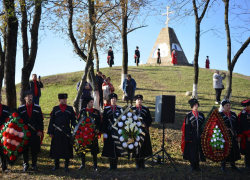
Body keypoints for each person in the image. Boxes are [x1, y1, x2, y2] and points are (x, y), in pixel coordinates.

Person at [47, 93, 76, 172]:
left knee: (67, 148)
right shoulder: (55, 109)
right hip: (57, 132)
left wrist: (76, 128)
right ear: (59, 100)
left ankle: (66, 165)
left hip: (67, 130)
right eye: (63, 99)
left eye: (65, 99)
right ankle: (56, 165)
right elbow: (51, 121)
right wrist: (50, 132)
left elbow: (73, 120)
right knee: (57, 148)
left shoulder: (70, 109)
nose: (65, 100)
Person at [18, 90, 44, 171]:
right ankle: (25, 164)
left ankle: (34, 164)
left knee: (34, 149)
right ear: (25, 98)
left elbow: (40, 120)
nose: (30, 98)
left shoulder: (37, 107)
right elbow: (18, 121)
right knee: (25, 149)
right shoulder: (20, 108)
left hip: (34, 132)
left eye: (31, 97)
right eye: (29, 97)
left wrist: (40, 130)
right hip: (24, 133)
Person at [77, 96, 102, 171]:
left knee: (94, 150)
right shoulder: (82, 111)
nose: (92, 103)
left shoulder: (96, 111)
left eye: (92, 102)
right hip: (84, 134)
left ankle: (95, 165)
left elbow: (99, 122)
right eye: (91, 102)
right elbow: (78, 121)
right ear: (87, 103)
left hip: (93, 134)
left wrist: (98, 130)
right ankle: (82, 164)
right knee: (83, 149)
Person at [181, 99, 206, 171]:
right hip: (192, 135)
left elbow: (204, 125)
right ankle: (192, 165)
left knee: (198, 150)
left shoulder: (201, 114)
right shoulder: (188, 115)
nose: (196, 106)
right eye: (195, 105)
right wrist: (189, 138)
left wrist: (203, 134)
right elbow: (187, 127)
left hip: (200, 135)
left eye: (197, 104)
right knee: (192, 150)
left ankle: (197, 166)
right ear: (192, 106)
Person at [102, 93, 123, 170]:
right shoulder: (106, 109)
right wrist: (104, 132)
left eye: (115, 98)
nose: (113, 100)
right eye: (112, 99)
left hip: (117, 131)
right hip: (109, 131)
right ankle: (111, 165)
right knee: (109, 148)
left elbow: (122, 120)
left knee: (117, 148)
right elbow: (104, 121)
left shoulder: (120, 109)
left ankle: (115, 165)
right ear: (110, 100)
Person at [219, 100, 241, 171]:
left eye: (229, 105)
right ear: (223, 107)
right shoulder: (220, 115)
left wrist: (239, 136)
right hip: (224, 136)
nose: (228, 107)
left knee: (233, 149)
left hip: (233, 135)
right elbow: (216, 125)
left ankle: (233, 164)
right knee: (225, 150)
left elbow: (238, 125)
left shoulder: (233, 114)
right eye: (226, 105)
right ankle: (223, 165)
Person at [131, 95, 152, 169]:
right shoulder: (131, 109)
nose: (139, 101)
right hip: (135, 131)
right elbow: (129, 119)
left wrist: (145, 124)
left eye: (140, 99)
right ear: (135, 101)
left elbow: (149, 119)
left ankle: (142, 163)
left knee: (143, 146)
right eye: (138, 99)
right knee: (136, 146)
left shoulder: (145, 109)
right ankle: (137, 163)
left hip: (144, 131)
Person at [238, 99, 250, 170]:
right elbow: (243, 125)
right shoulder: (243, 114)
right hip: (247, 135)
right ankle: (247, 163)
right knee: (248, 150)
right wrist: (248, 135)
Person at [0, 92, 10, 172]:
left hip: (4, 133)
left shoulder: (6, 108)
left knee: (4, 150)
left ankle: (4, 166)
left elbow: (10, 120)